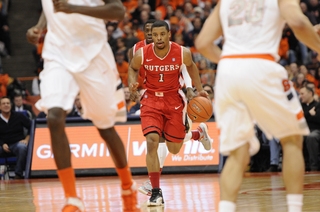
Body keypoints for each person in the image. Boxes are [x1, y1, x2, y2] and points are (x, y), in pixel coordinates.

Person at [195, 0, 320, 211]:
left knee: (237, 152)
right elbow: (298, 22)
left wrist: (231, 61)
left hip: (228, 71)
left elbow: (202, 43)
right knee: (291, 139)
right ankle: (295, 208)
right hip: (262, 65)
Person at [26, 1, 139, 211]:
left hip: (94, 55)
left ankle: (127, 186)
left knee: (105, 129)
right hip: (57, 55)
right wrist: (40, 27)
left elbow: (117, 11)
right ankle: (72, 199)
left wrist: (73, 8)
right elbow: (50, 7)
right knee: (54, 116)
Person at [128, 20, 211, 206]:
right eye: (154, 34)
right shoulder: (142, 53)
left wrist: (198, 89)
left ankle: (197, 134)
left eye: (161, 34)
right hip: (150, 100)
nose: (157, 38)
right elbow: (132, 68)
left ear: (168, 35)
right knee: (152, 141)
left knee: (174, 148)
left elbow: (191, 67)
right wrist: (131, 85)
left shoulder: (182, 52)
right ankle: (156, 192)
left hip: (173, 100)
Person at [0, 97, 31, 179]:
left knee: (22, 147)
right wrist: (2, 144)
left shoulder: (19, 116)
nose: (6, 105)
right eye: (3, 103)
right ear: (0, 107)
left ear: (11, 105)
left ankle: (18, 174)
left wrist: (26, 139)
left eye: (8, 103)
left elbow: (32, 127)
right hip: (2, 146)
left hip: (17, 144)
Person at [300, 86, 320, 171]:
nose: (300, 96)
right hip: (303, 130)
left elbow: (318, 119)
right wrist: (309, 114)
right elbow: (296, 120)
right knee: (294, 137)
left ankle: (314, 166)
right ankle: (299, 166)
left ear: (310, 93)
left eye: (302, 94)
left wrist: (305, 117)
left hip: (316, 130)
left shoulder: (318, 105)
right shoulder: (299, 106)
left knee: (312, 137)